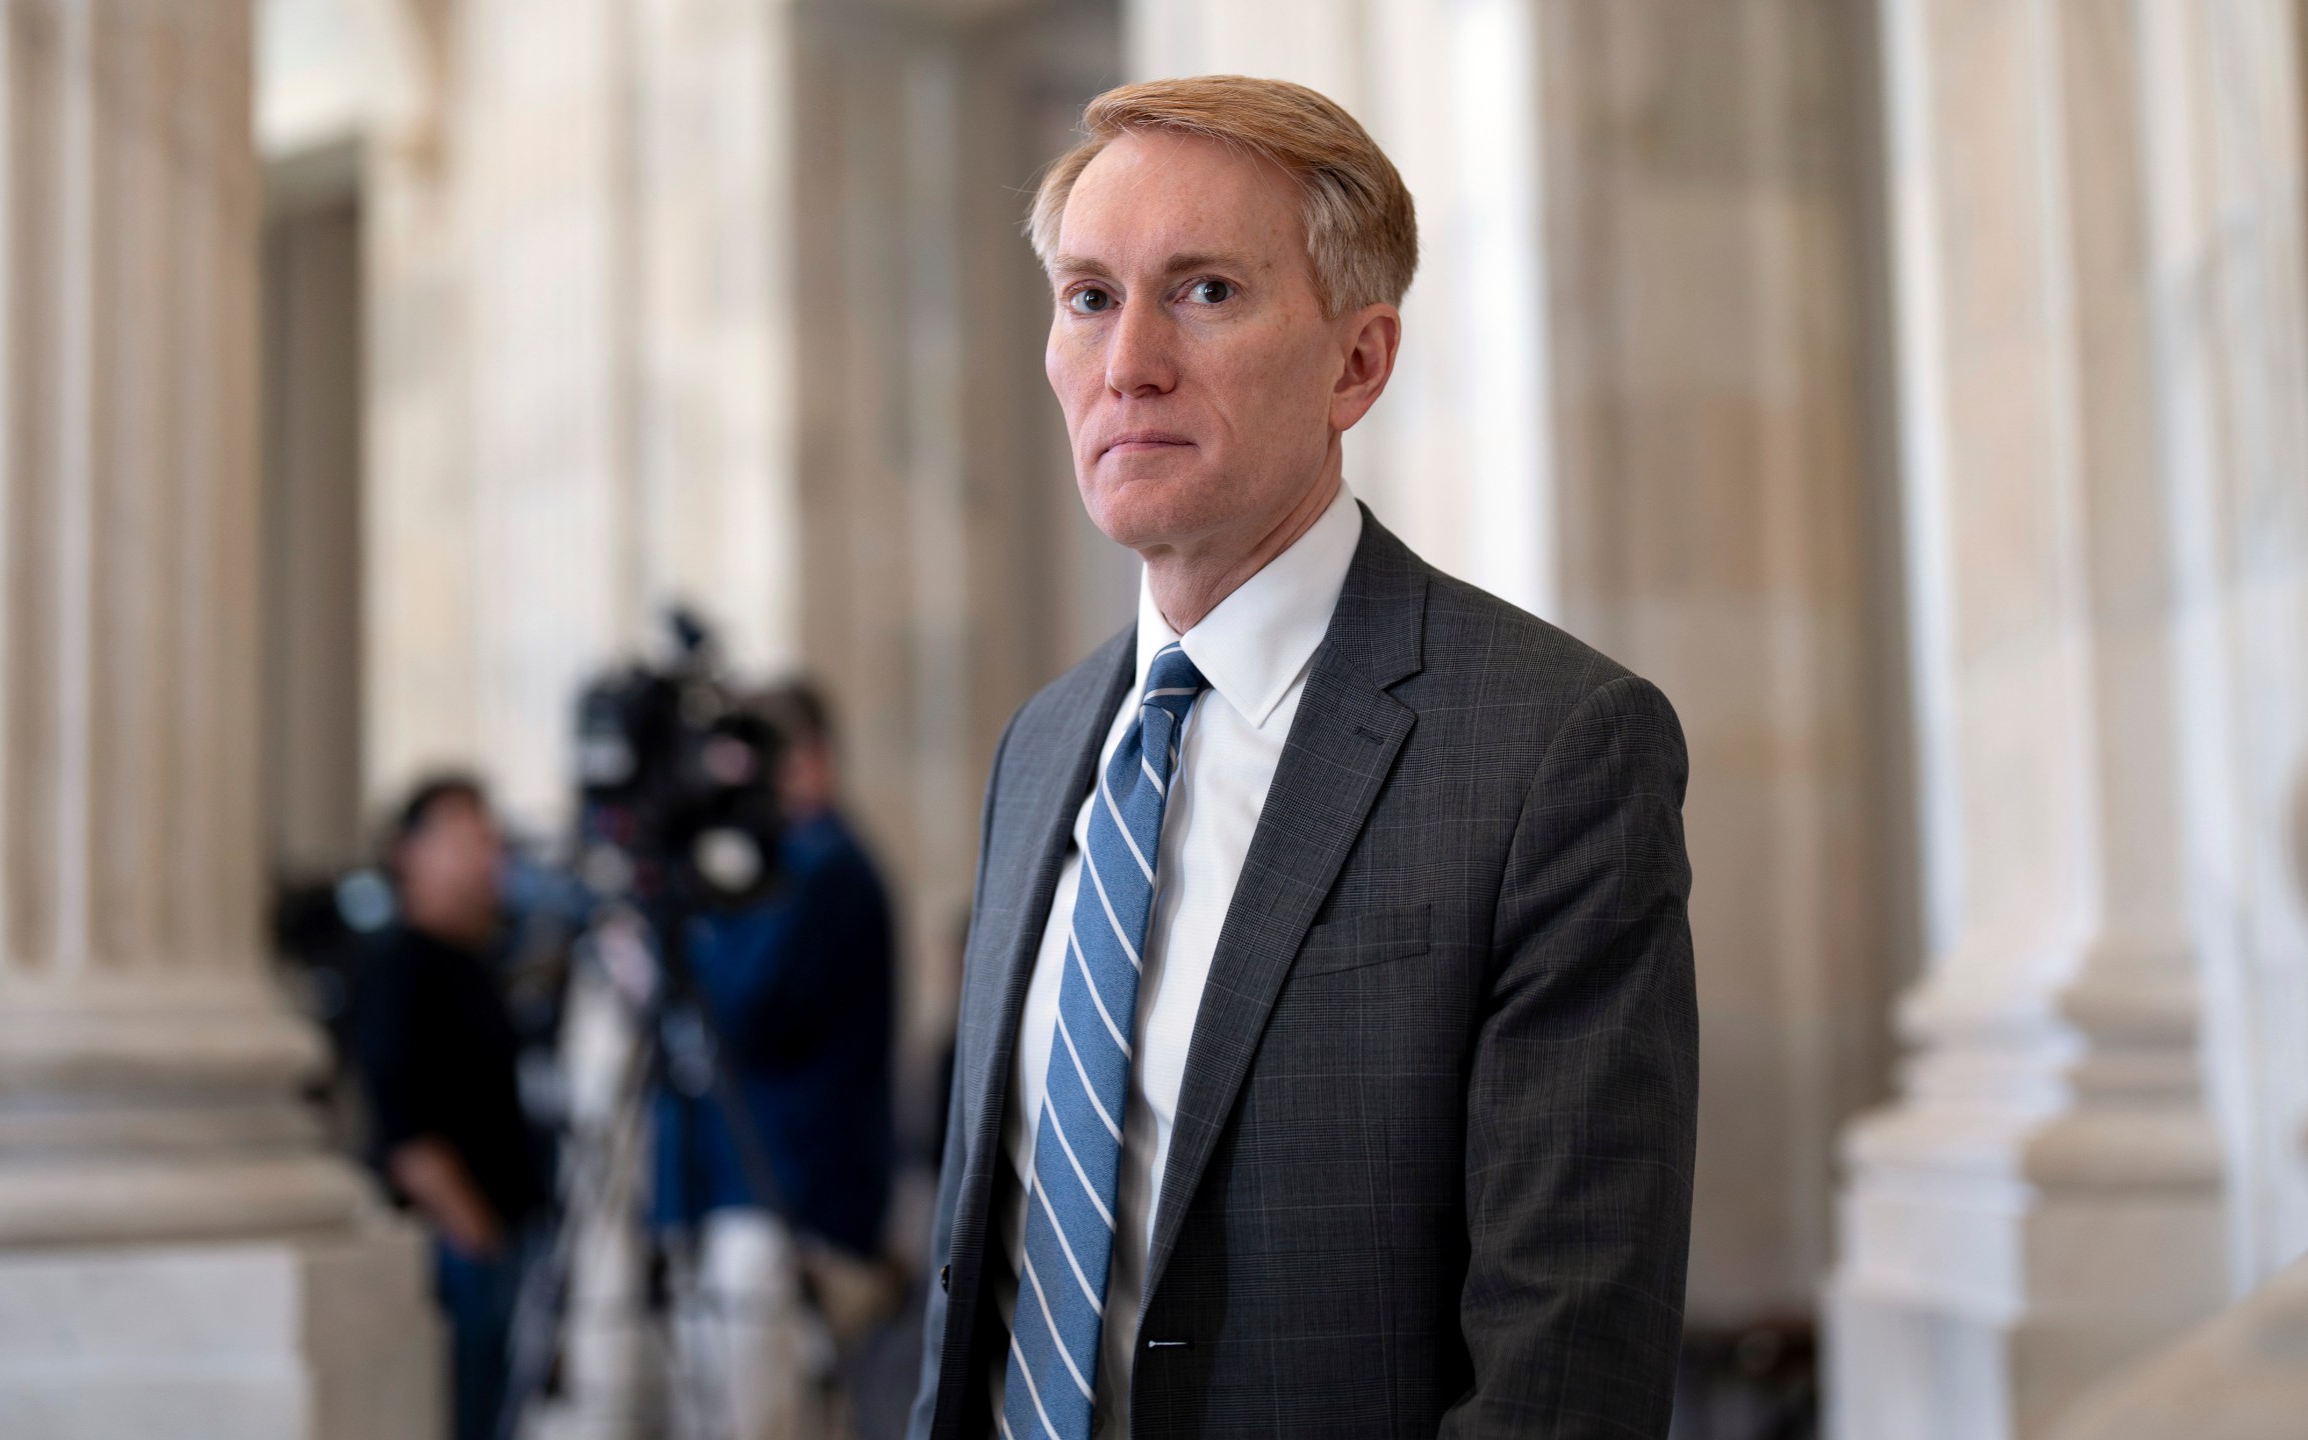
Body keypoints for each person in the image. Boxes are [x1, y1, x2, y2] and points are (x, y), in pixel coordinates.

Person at [910, 76, 1698, 1439]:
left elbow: (1564, 1372)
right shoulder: (1042, 748)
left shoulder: (1554, 752)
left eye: (1205, 291)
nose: (1129, 362)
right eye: (1090, 296)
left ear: (1358, 362)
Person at [652, 679, 899, 1439]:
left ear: (812, 760)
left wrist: (682, 942)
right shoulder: (777, 867)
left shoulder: (824, 871)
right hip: (742, 1194)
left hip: (787, 1200)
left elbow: (746, 1014)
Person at [355, 776, 549, 1440]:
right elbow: (403, 1121)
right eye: (467, 838)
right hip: (457, 1246)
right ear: (410, 852)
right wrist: (474, 1232)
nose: (487, 857)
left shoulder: (479, 960)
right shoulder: (401, 966)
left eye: (490, 840)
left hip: (501, 1238)